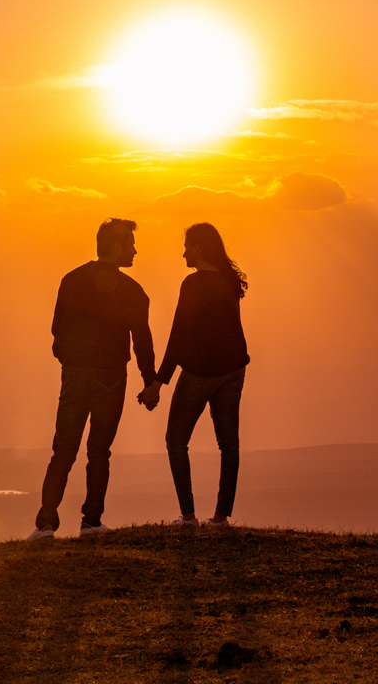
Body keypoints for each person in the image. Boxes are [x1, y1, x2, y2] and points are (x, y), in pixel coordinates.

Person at [28, 218, 159, 540]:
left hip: (74, 374)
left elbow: (57, 331)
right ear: (116, 247)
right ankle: (91, 521)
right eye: (130, 243)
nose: (135, 250)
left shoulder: (71, 279)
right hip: (110, 375)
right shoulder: (133, 291)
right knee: (99, 451)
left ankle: (45, 523)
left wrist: (70, 361)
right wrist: (150, 380)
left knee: (63, 450)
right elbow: (142, 339)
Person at [140, 223, 249, 527]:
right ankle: (220, 518)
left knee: (176, 440)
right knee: (229, 445)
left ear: (199, 247)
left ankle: (188, 516)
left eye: (187, 245)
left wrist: (158, 383)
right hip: (234, 369)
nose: (184, 252)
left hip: (201, 372)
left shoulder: (193, 284)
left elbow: (178, 336)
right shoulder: (229, 281)